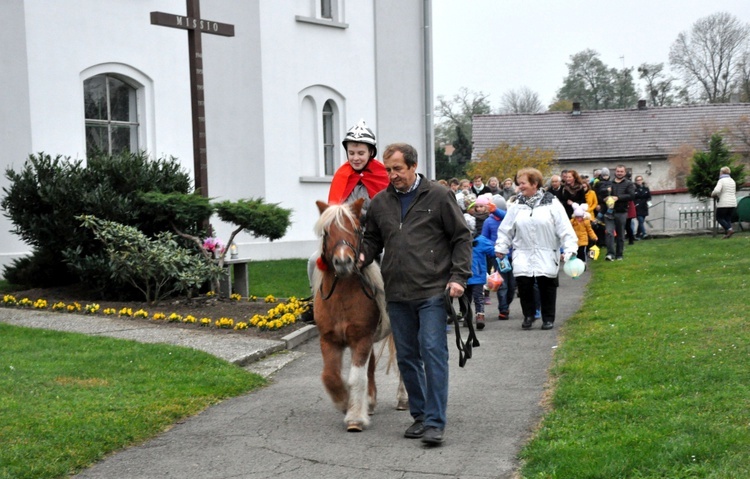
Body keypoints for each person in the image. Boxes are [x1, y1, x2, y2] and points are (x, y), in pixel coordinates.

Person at [359, 142, 472, 446]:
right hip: (396, 292)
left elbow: (461, 237)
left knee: (433, 352)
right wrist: (362, 256)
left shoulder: (438, 195)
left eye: (397, 169)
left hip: (433, 290)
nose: (392, 175)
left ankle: (435, 422)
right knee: (407, 357)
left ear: (413, 166)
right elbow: (372, 239)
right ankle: (421, 416)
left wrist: (459, 276)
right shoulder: (380, 202)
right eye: (387, 170)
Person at [299, 120, 389, 323]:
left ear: (370, 153)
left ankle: (388, 306)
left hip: (375, 236)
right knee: (314, 261)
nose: (356, 158)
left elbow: (385, 209)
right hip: (345, 237)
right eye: (352, 153)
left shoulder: (382, 175)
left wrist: (363, 215)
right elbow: (332, 211)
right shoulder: (342, 175)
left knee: (388, 264)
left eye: (361, 153)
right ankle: (317, 301)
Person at [495, 168, 578, 331]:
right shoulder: (516, 204)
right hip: (523, 251)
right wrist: (501, 247)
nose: (519, 187)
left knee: (546, 285)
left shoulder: (552, 203)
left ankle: (548, 318)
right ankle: (528, 315)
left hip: (546, 251)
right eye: (519, 184)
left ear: (535, 184)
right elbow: (506, 229)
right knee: (524, 285)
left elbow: (565, 228)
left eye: (523, 184)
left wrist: (570, 249)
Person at [481, 195, 515, 320]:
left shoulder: (509, 219)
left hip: (512, 255)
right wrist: (493, 245)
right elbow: (484, 238)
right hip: (498, 257)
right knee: (502, 283)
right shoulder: (488, 221)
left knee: (512, 284)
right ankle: (503, 309)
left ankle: (507, 303)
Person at [712, 166, 738, 239]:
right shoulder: (732, 180)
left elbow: (717, 191)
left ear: (722, 172)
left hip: (724, 203)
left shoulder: (722, 180)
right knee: (727, 218)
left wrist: (712, 194)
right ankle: (728, 235)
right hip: (733, 202)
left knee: (719, 217)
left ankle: (729, 230)